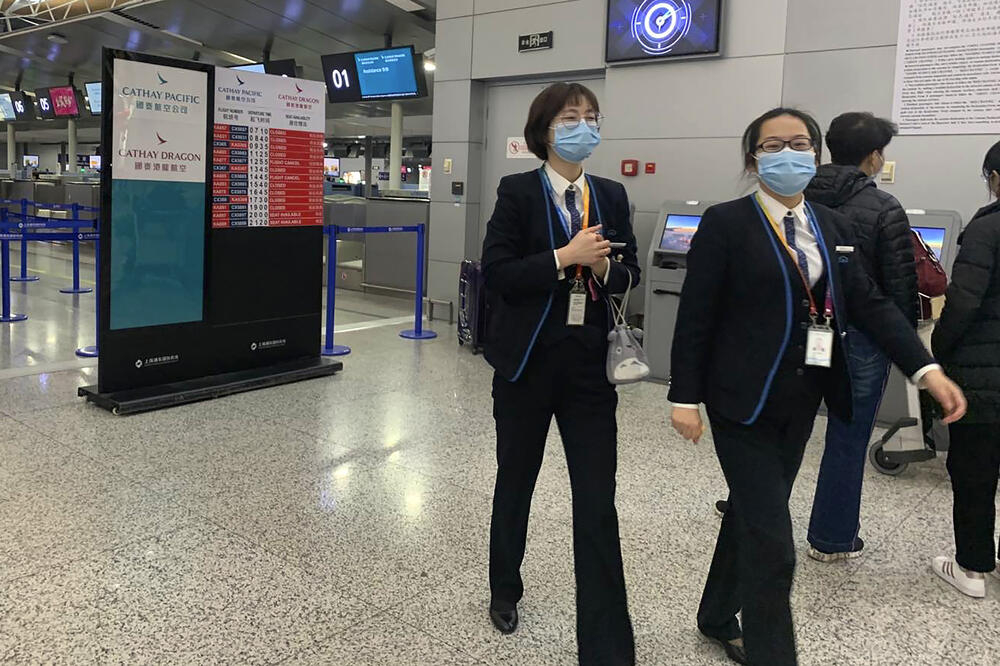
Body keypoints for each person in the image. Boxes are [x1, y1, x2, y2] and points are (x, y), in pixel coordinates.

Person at [668, 107, 967, 666]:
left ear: (816, 153)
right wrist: (684, 397)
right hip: (740, 403)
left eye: (800, 143)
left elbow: (870, 302)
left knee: (754, 513)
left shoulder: (831, 225)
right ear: (754, 158)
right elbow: (697, 315)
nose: (788, 153)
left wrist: (924, 368)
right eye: (773, 145)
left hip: (802, 399)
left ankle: (715, 614)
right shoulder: (726, 223)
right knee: (774, 548)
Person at [480, 82, 640, 665]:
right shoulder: (518, 191)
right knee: (516, 481)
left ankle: (605, 640)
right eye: (572, 117)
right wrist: (562, 259)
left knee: (597, 498)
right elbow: (498, 272)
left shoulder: (611, 194)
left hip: (590, 370)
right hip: (526, 366)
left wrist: (603, 271)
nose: (584, 127)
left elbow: (631, 273)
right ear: (545, 130)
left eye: (592, 117)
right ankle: (504, 588)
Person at [800, 112, 919, 561]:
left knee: (781, 429)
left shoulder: (794, 196)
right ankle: (831, 540)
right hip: (862, 339)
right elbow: (899, 286)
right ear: (874, 156)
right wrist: (904, 344)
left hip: (799, 332)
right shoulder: (884, 208)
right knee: (848, 439)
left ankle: (746, 514)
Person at [930, 140, 1000, 598]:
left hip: (983, 374)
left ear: (994, 178)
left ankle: (972, 569)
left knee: (975, 470)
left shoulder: (987, 228)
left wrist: (938, 351)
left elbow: (964, 301)